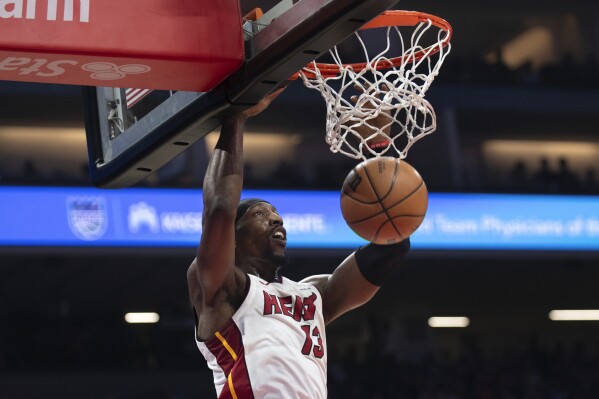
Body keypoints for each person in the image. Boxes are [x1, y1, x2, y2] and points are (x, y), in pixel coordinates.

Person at [187, 88, 411, 398]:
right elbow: (219, 210)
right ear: (233, 236)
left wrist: (378, 146)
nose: (277, 219)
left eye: (277, 214)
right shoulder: (223, 288)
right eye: (260, 214)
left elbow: (392, 245)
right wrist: (236, 115)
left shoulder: (314, 293)